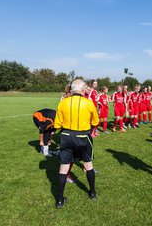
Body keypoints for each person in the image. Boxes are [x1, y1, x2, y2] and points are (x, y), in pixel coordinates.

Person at [54, 79, 100, 209]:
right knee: (88, 164)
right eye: (85, 87)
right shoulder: (89, 103)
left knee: (64, 167)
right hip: (83, 136)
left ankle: (59, 200)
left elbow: (57, 124)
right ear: (82, 89)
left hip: (66, 136)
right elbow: (95, 121)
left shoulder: (63, 102)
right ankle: (92, 193)